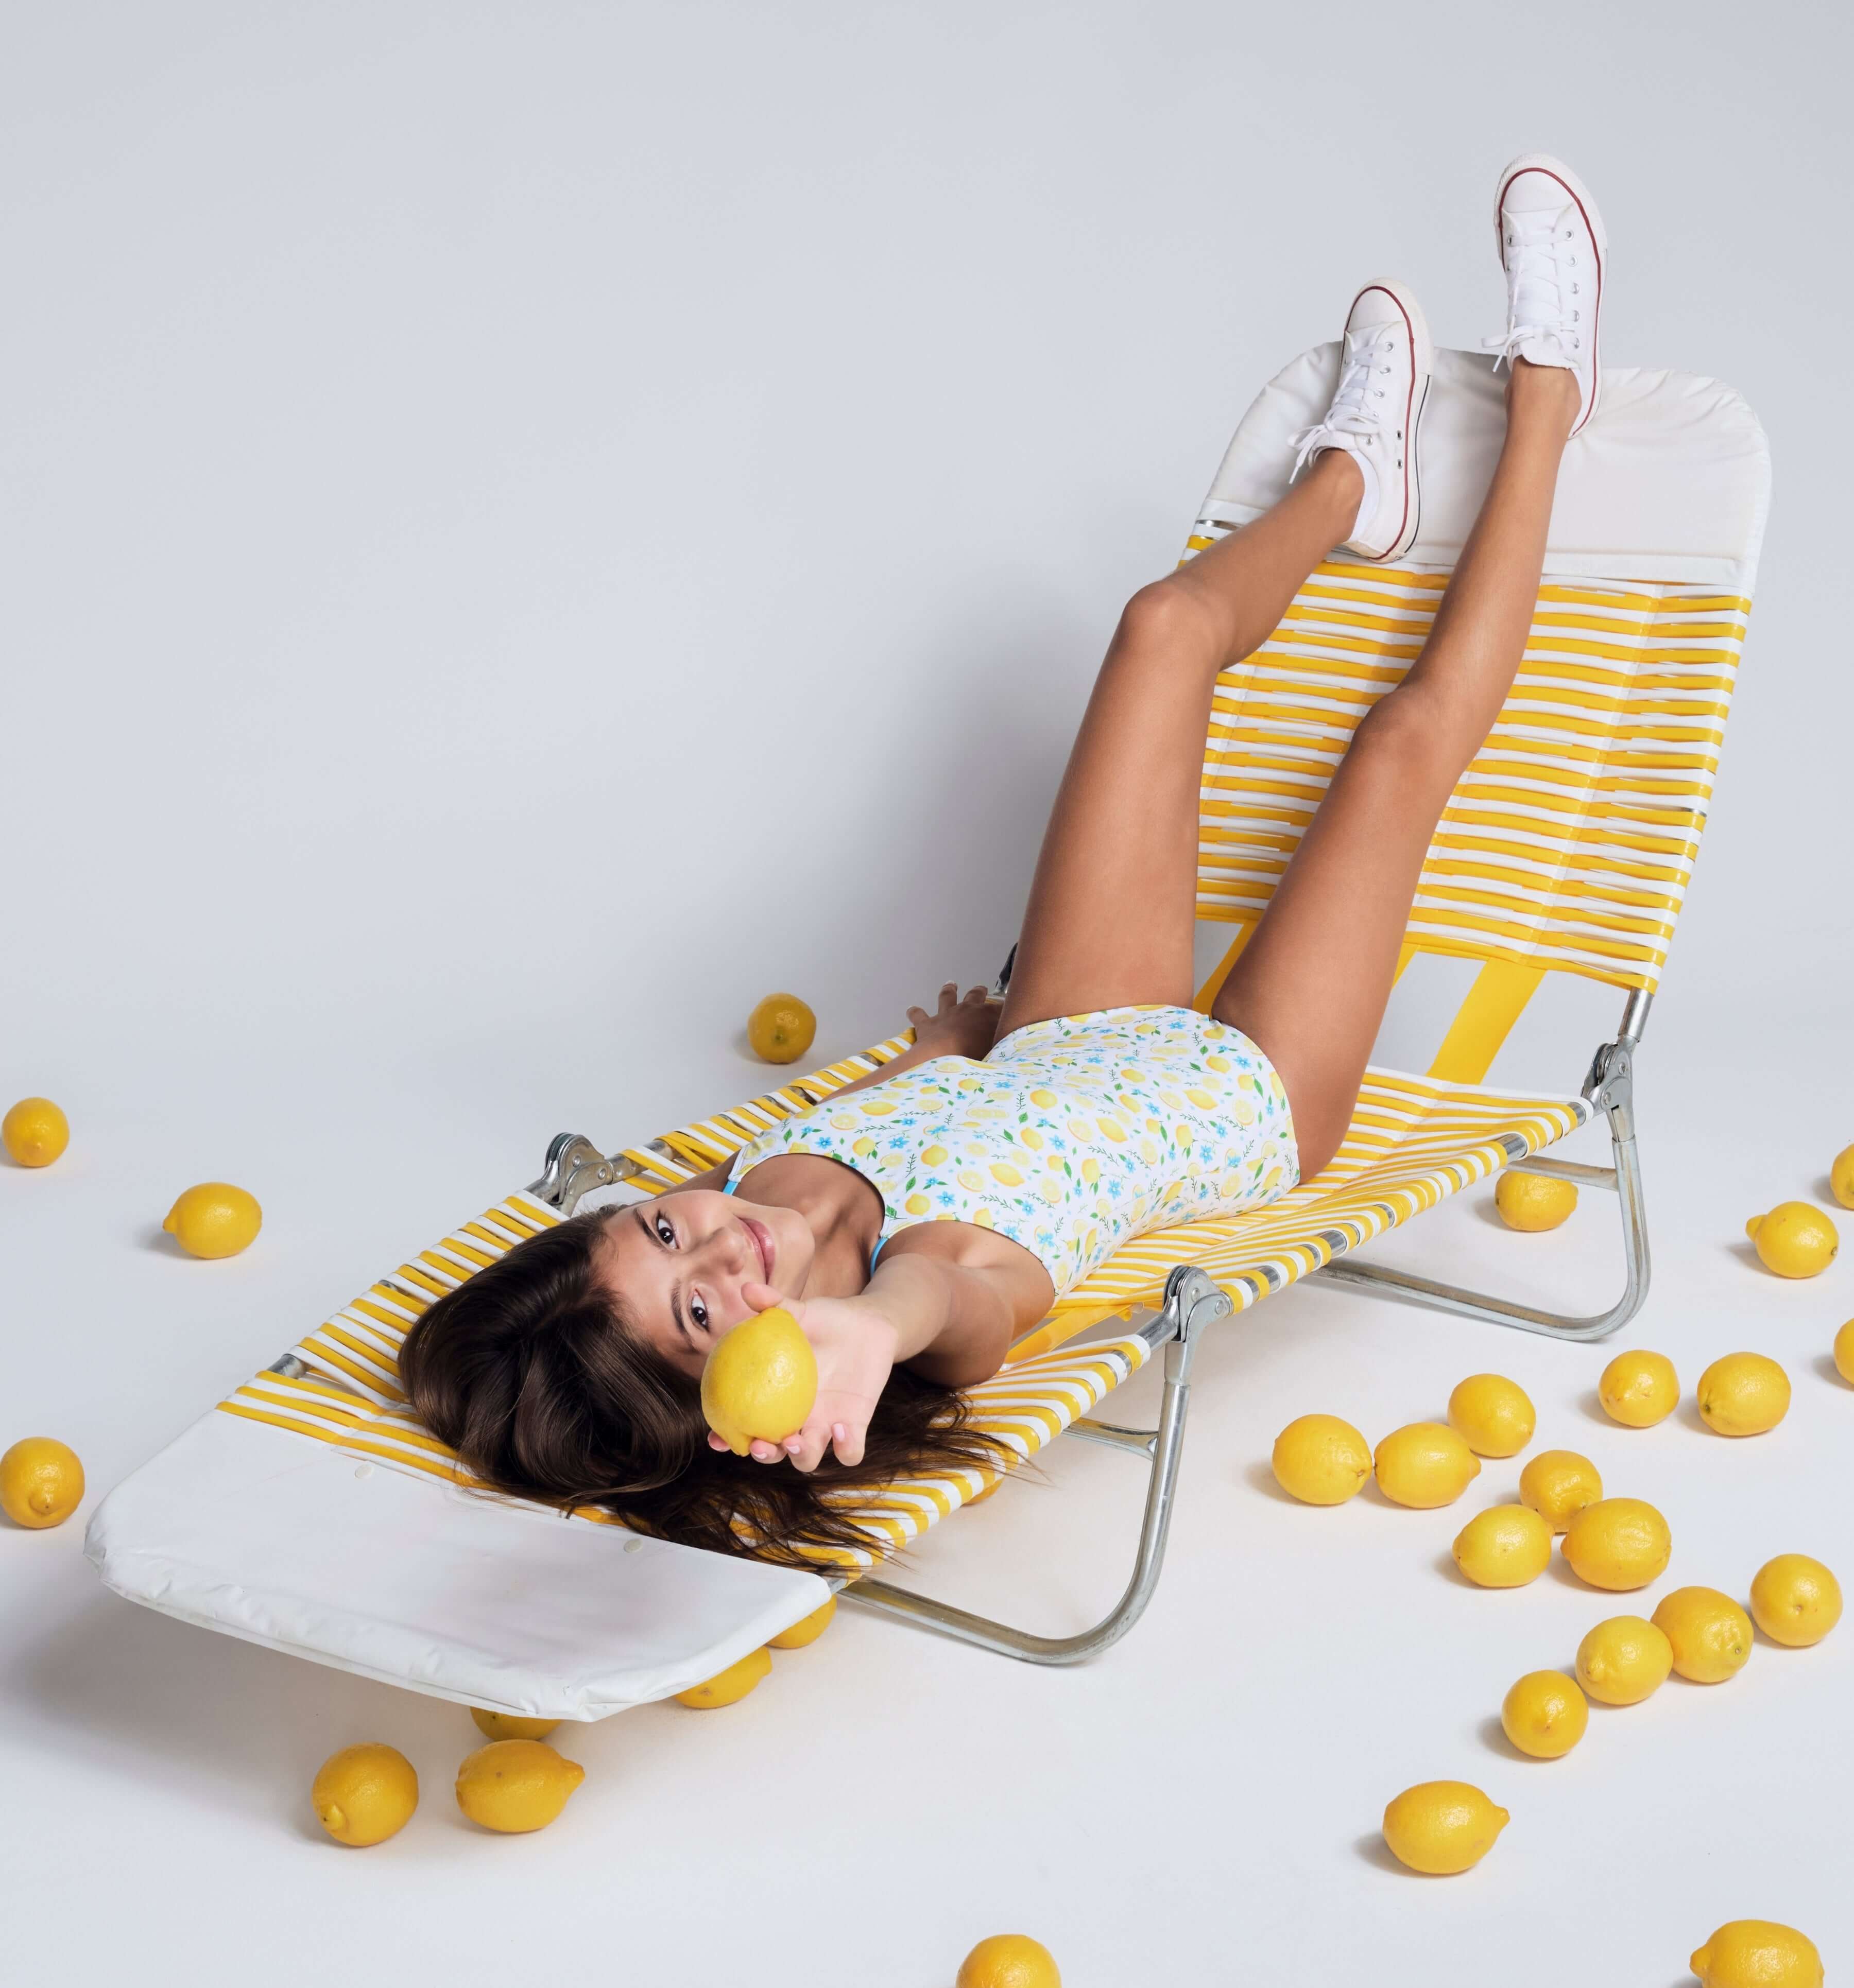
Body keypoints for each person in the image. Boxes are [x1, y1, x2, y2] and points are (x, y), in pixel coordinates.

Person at [402, 154, 1605, 1560]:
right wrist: (862, 1330)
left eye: (659, 1237)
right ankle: (1550, 404)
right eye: (703, 1315)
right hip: (1247, 1097)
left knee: (1161, 626)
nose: (720, 1253)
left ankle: (1353, 485)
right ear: (739, 1392)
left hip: (1064, 1033)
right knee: (1401, 744)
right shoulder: (924, 1300)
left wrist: (949, 1053)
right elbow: (954, 1303)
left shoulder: (759, 1190)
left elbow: (892, 1129)